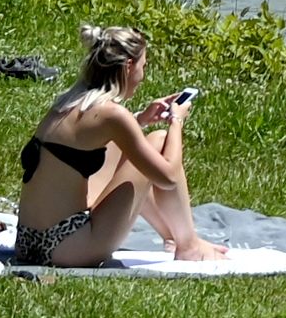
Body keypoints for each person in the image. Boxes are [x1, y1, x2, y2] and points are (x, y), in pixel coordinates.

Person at [14, 25, 226, 267]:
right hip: (65, 248)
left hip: (28, 244)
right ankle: (188, 245)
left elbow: (92, 139)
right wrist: (176, 120)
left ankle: (171, 235)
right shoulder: (113, 114)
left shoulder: (67, 103)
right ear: (127, 67)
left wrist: (141, 120)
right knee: (159, 141)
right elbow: (167, 177)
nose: (143, 76)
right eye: (143, 66)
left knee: (139, 151)